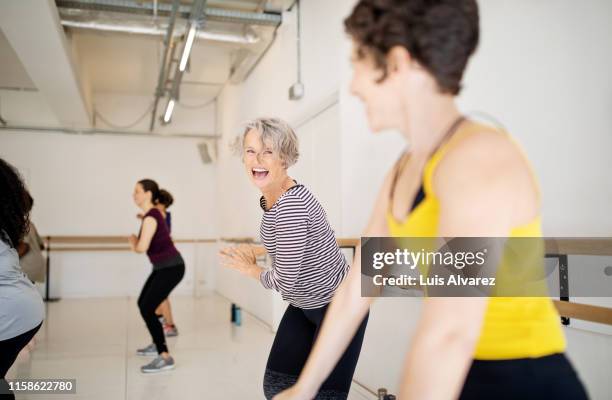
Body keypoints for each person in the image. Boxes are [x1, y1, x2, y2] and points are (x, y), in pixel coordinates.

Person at [274, 1, 588, 399]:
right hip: (458, 373)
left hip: (521, 379)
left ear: (399, 64)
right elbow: (358, 287)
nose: (353, 85)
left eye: (358, 62)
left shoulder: (477, 160)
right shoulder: (404, 168)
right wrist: (306, 387)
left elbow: (449, 330)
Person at [219, 118, 369, 400]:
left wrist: (249, 269)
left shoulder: (291, 206)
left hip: (338, 307)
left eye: (268, 151)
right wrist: (260, 250)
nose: (257, 160)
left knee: (325, 397)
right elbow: (301, 239)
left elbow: (285, 282)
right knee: (277, 387)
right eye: (251, 151)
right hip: (305, 305)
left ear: (285, 158)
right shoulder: (273, 198)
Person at [0, 158, 45, 400]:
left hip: (24, 279)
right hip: (25, 289)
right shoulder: (14, 223)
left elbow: (26, 248)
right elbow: (41, 244)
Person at [129, 179, 184, 373]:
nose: (133, 195)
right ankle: (157, 342)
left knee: (147, 306)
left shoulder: (151, 216)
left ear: (148, 194)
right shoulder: (150, 215)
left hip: (171, 268)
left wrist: (133, 242)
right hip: (163, 268)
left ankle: (165, 356)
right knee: (143, 303)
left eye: (137, 191)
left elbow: (141, 248)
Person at [138, 189, 178, 337]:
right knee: (157, 297)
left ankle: (170, 325)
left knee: (161, 297)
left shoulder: (159, 214)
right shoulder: (163, 215)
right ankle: (162, 323)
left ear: (157, 202)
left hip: (166, 262)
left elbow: (160, 233)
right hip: (161, 262)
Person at [18, 194, 46, 284]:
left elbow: (25, 247)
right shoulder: (30, 224)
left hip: (27, 267)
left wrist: (9, 257)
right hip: (36, 264)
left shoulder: (21, 224)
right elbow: (41, 246)